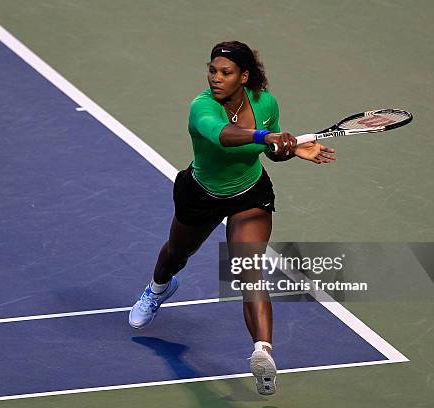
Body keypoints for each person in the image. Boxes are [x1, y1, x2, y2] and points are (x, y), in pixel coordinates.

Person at [128, 41, 337, 395]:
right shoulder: (202, 107)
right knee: (175, 255)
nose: (215, 78)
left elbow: (270, 152)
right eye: (212, 70)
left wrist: (291, 149)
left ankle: (263, 353)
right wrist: (266, 135)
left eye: (225, 73)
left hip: (250, 195)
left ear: (244, 76)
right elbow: (225, 137)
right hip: (201, 195)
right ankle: (158, 288)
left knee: (248, 270)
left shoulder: (265, 103)